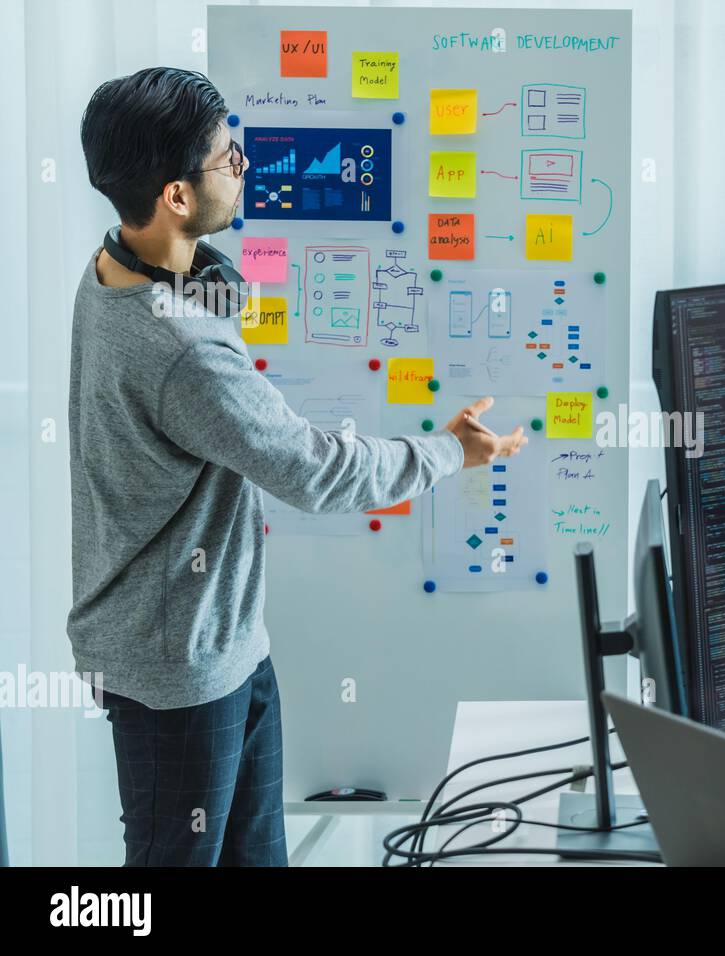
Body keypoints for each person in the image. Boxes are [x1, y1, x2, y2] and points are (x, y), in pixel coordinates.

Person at [70, 67, 526, 866]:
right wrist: (452, 450)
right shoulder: (180, 348)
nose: (245, 166)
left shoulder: (111, 267)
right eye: (228, 158)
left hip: (224, 644)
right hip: (177, 671)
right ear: (175, 195)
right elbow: (314, 470)